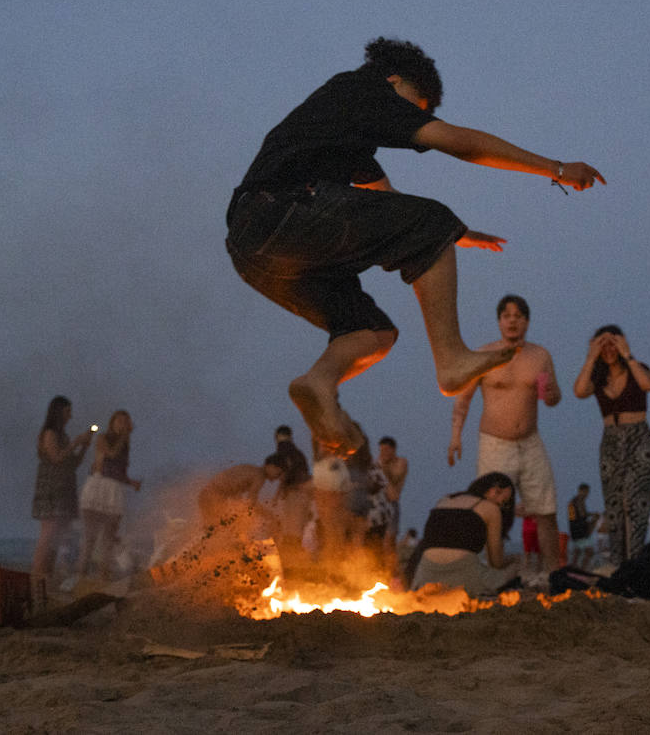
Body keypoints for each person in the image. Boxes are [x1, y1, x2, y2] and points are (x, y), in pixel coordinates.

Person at [225, 37, 603, 455]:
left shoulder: (340, 126)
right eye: (415, 107)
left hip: (254, 251)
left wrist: (455, 235)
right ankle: (452, 358)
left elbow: (382, 200)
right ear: (396, 80)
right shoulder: (365, 88)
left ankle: (319, 382)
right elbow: (460, 143)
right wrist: (557, 168)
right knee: (430, 218)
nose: (411, 117)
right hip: (280, 209)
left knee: (374, 332)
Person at [450, 295, 564, 575]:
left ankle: (553, 573)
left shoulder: (540, 356)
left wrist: (551, 394)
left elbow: (554, 397)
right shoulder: (485, 355)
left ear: (526, 321)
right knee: (490, 509)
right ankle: (491, 572)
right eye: (507, 316)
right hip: (495, 443)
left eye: (518, 316)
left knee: (545, 509)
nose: (512, 320)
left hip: (530, 441)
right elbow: (463, 399)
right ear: (500, 321)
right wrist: (456, 436)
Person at [572, 325, 650, 567]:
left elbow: (647, 384)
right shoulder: (598, 379)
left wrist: (627, 354)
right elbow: (579, 391)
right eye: (603, 344)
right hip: (610, 441)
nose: (608, 349)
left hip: (639, 439)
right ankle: (621, 566)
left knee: (636, 504)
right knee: (614, 508)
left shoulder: (637, 368)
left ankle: (637, 565)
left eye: (613, 343)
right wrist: (590, 357)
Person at [409, 472, 520, 597]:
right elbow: (496, 563)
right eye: (502, 498)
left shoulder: (445, 500)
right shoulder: (490, 509)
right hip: (463, 574)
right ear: (491, 489)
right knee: (513, 570)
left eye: (505, 503)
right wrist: (512, 560)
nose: (501, 504)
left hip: (426, 572)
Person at [30, 395, 93, 579]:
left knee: (56, 535)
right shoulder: (49, 433)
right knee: (48, 533)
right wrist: (76, 442)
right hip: (51, 489)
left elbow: (73, 464)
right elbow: (56, 457)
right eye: (67, 412)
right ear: (58, 412)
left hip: (64, 488)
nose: (70, 416)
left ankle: (46, 575)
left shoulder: (63, 436)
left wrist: (84, 447)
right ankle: (37, 576)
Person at [78, 410, 143, 580]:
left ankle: (102, 576)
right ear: (112, 422)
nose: (121, 425)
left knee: (108, 538)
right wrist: (123, 437)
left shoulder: (125, 445)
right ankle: (81, 575)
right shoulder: (102, 438)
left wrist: (131, 482)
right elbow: (111, 454)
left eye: (125, 421)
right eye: (118, 421)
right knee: (90, 537)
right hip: (98, 489)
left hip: (114, 491)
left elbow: (118, 472)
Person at [197, 459, 283, 528]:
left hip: (205, 495)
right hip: (213, 496)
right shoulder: (259, 476)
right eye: (278, 473)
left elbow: (236, 493)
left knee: (213, 529)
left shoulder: (250, 469)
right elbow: (251, 502)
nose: (277, 478)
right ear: (271, 466)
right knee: (219, 529)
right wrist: (270, 516)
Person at [269, 425, 313, 559]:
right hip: (305, 495)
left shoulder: (283, 450)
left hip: (295, 494)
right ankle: (294, 568)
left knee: (290, 535)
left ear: (277, 436)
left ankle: (292, 570)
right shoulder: (298, 453)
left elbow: (285, 474)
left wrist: (276, 497)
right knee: (296, 534)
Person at [374, 436, 409, 562]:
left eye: (386, 450)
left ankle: (392, 573)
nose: (383, 454)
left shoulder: (401, 463)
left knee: (390, 542)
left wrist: (383, 466)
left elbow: (394, 480)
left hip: (392, 504)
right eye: (381, 450)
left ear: (393, 450)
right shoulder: (377, 463)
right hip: (379, 506)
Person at [566, 483, 597, 571]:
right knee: (589, 552)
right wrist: (593, 516)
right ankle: (582, 570)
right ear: (583, 491)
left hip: (574, 530)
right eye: (587, 492)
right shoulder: (579, 501)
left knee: (577, 553)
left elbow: (572, 517)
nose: (587, 495)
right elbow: (582, 515)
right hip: (581, 531)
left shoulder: (571, 502)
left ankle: (573, 570)